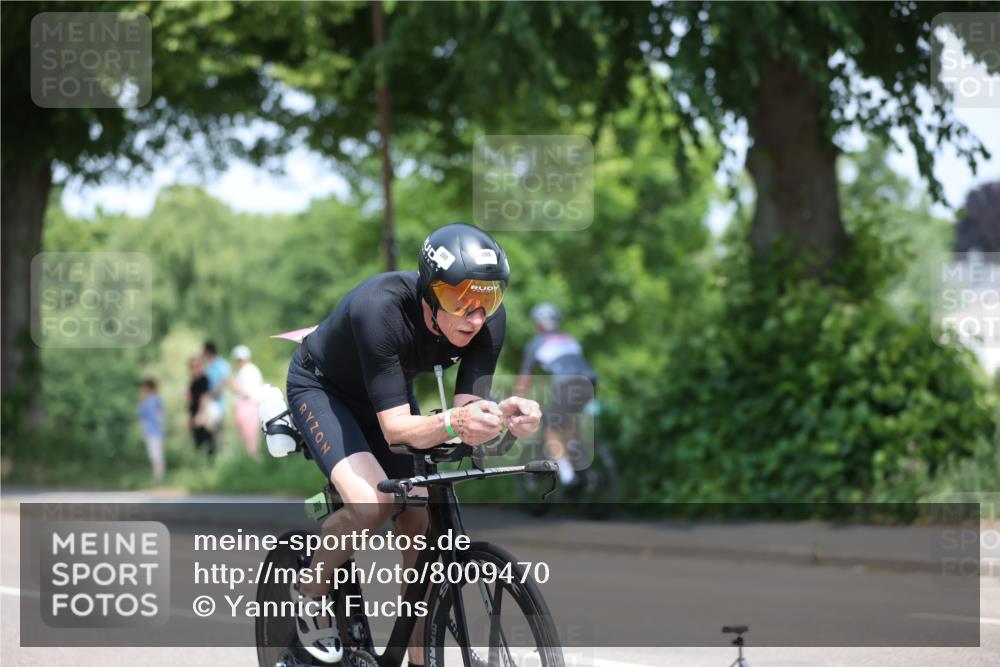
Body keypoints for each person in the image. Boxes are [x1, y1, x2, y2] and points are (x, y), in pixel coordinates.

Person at [285, 223, 541, 665]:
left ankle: (421, 658)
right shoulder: (379, 310)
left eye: (488, 300)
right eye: (460, 300)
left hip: (388, 390)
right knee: (371, 505)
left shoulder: (488, 321)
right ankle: (309, 594)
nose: (475, 316)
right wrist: (456, 421)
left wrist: (500, 417)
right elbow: (396, 430)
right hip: (324, 388)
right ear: (429, 291)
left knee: (419, 513)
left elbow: (467, 411)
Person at [515, 303, 597, 488]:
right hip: (590, 381)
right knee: (568, 417)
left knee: (551, 428)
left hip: (568, 383)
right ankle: (577, 451)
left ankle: (568, 476)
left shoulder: (535, 343)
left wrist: (516, 401)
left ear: (538, 324)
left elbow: (524, 379)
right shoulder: (569, 338)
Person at [228, 344, 264, 460]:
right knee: (247, 442)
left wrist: (234, 385)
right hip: (247, 408)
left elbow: (248, 393)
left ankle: (254, 465)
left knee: (251, 441)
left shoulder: (248, 371)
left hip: (248, 408)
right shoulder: (247, 370)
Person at [187, 355, 216, 457]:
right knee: (197, 441)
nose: (194, 369)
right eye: (192, 367)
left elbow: (205, 397)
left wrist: (200, 414)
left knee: (206, 439)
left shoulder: (204, 379)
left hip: (202, 413)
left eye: (197, 366)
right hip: (194, 411)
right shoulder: (193, 380)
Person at [136, 379, 166, 481]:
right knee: (153, 454)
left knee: (157, 454)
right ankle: (157, 476)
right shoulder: (145, 400)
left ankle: (159, 477)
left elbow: (160, 415)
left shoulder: (156, 399)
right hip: (148, 430)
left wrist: (158, 422)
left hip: (156, 430)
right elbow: (140, 414)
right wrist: (140, 402)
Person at [203, 341, 231, 435]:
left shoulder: (221, 365)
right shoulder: (208, 367)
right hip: (210, 406)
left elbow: (223, 383)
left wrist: (211, 394)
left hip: (220, 407)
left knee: (219, 436)